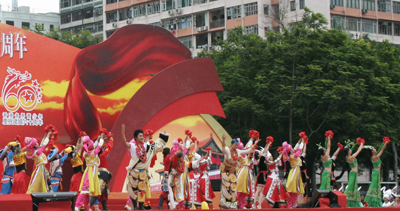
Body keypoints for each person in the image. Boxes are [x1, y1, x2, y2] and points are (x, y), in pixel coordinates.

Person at [122, 124, 168, 210]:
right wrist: (122, 133)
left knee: (142, 189)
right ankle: (135, 206)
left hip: (143, 172)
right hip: (134, 172)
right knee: (134, 190)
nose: (142, 137)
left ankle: (141, 206)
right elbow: (125, 143)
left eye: (142, 135)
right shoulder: (132, 146)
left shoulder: (146, 146)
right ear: (135, 138)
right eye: (140, 136)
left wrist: (163, 138)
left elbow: (155, 146)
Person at [219, 133, 259, 209]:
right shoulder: (228, 150)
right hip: (226, 171)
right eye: (235, 145)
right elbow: (223, 149)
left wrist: (255, 145)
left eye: (237, 145)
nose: (236, 147)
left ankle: (233, 205)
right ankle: (225, 206)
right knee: (226, 188)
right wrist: (223, 140)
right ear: (231, 144)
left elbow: (248, 151)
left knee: (233, 188)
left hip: (233, 171)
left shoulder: (238, 151)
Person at [74, 135, 104, 211]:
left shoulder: (87, 152)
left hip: (90, 171)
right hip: (91, 172)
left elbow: (93, 146)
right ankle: (77, 205)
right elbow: (99, 146)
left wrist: (98, 139)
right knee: (85, 189)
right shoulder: (93, 153)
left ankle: (87, 207)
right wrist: (101, 139)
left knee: (88, 191)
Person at [90, 129, 114, 211]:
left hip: (100, 173)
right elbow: (109, 147)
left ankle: (105, 207)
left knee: (103, 191)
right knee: (98, 191)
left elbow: (97, 145)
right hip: (100, 174)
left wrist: (102, 138)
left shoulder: (95, 154)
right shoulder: (102, 156)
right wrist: (111, 139)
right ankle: (88, 206)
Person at [364, 137, 389, 207]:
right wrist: (385, 143)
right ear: (372, 152)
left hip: (376, 173)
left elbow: (380, 148)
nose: (375, 149)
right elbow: (382, 150)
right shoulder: (375, 157)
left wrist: (383, 142)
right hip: (375, 173)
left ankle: (373, 202)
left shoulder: (374, 156)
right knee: (374, 186)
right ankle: (368, 201)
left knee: (376, 187)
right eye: (374, 149)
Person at [343, 138, 364, 207]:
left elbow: (352, 149)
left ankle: (352, 201)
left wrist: (354, 144)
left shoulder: (347, 157)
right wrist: (361, 144)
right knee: (351, 187)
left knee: (353, 187)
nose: (351, 150)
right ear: (348, 152)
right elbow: (359, 151)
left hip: (353, 173)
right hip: (353, 173)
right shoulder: (351, 157)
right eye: (349, 150)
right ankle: (345, 199)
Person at [252, 137, 273, 209]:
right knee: (259, 190)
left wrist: (268, 144)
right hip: (262, 175)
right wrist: (267, 144)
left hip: (264, 175)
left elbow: (265, 151)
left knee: (262, 191)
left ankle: (258, 204)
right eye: (259, 153)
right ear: (258, 155)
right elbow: (264, 151)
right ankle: (255, 204)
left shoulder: (262, 159)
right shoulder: (260, 160)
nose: (261, 153)